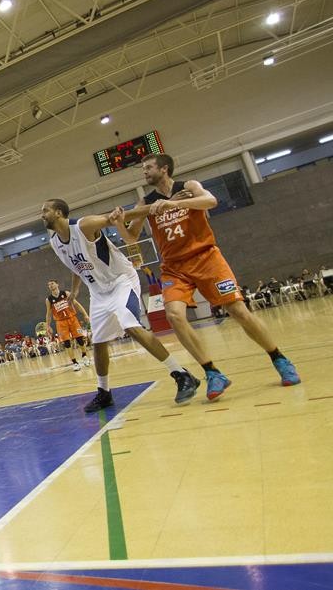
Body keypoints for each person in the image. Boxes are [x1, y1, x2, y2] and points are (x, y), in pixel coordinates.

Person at [116, 154, 301, 399]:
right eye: (144, 169)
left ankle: (279, 358)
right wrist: (119, 222)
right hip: (174, 266)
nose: (145, 172)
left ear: (164, 168)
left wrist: (175, 204)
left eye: (148, 167)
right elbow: (131, 237)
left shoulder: (188, 187)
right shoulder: (146, 201)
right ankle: (212, 372)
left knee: (238, 311)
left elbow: (211, 201)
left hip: (206, 257)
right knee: (174, 316)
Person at [41, 198, 201, 413]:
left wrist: (155, 207)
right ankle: (104, 392)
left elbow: (113, 218)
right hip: (97, 291)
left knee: (131, 326)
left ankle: (181, 374)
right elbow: (76, 264)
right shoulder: (55, 241)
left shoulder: (83, 225)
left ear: (59, 213)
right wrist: (75, 289)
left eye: (46, 211)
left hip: (120, 281)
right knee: (97, 342)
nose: (42, 215)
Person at [45, 279, 92, 371]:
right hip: (60, 322)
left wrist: (85, 314)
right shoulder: (49, 299)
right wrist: (48, 325)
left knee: (80, 339)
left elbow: (77, 304)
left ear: (57, 284)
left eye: (52, 283)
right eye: (49, 285)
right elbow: (49, 313)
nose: (50, 285)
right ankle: (75, 363)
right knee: (67, 343)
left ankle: (84, 356)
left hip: (73, 319)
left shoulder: (66, 293)